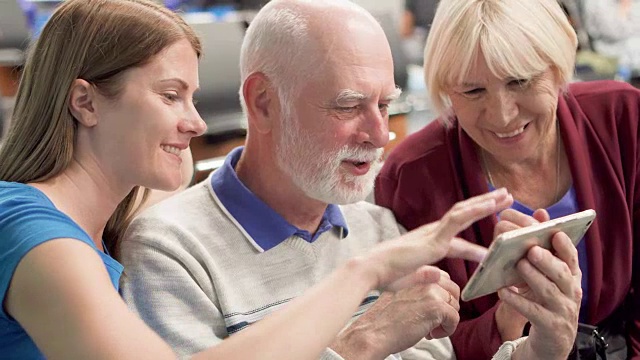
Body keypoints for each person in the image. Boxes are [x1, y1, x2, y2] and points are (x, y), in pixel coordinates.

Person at [0, 0, 524, 359]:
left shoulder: (106, 217)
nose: (200, 123)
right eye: (170, 95)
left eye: (193, 97)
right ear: (84, 102)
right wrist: (364, 278)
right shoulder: (39, 234)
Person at [119, 1, 581, 359]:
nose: (380, 135)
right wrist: (361, 342)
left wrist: (536, 347)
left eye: (385, 105)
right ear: (262, 103)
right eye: (347, 106)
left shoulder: (380, 228)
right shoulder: (169, 250)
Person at [375, 0, 640, 359]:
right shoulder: (411, 176)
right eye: (472, 91)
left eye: (520, 80)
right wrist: (508, 319)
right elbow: (422, 344)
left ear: (558, 66)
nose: (502, 116)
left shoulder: (623, 118)